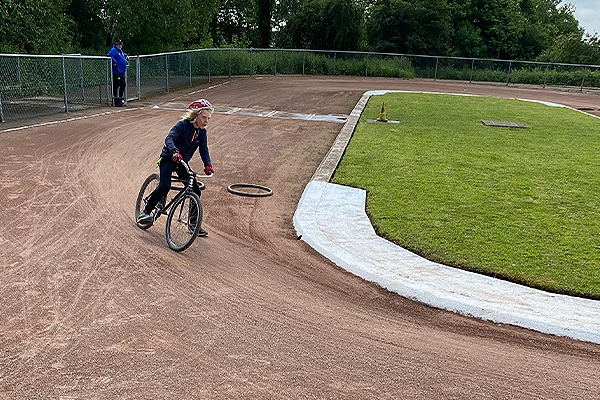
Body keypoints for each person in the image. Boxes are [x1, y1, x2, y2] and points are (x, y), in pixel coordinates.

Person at [137, 99, 215, 237]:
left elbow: (204, 150)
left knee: (196, 190)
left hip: (182, 163)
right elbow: (169, 139)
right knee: (165, 186)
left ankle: (193, 225)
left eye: (208, 118)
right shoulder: (182, 125)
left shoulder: (202, 133)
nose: (206, 121)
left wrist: (207, 164)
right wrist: (174, 151)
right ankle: (145, 212)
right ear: (196, 115)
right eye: (204, 117)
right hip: (168, 158)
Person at [107, 39, 129, 106]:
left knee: (123, 84)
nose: (120, 46)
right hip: (116, 72)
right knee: (116, 86)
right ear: (116, 45)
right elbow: (109, 55)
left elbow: (122, 54)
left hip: (121, 72)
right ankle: (116, 100)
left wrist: (126, 55)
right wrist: (114, 62)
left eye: (121, 44)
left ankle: (120, 98)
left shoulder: (120, 51)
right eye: (118, 44)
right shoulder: (113, 50)